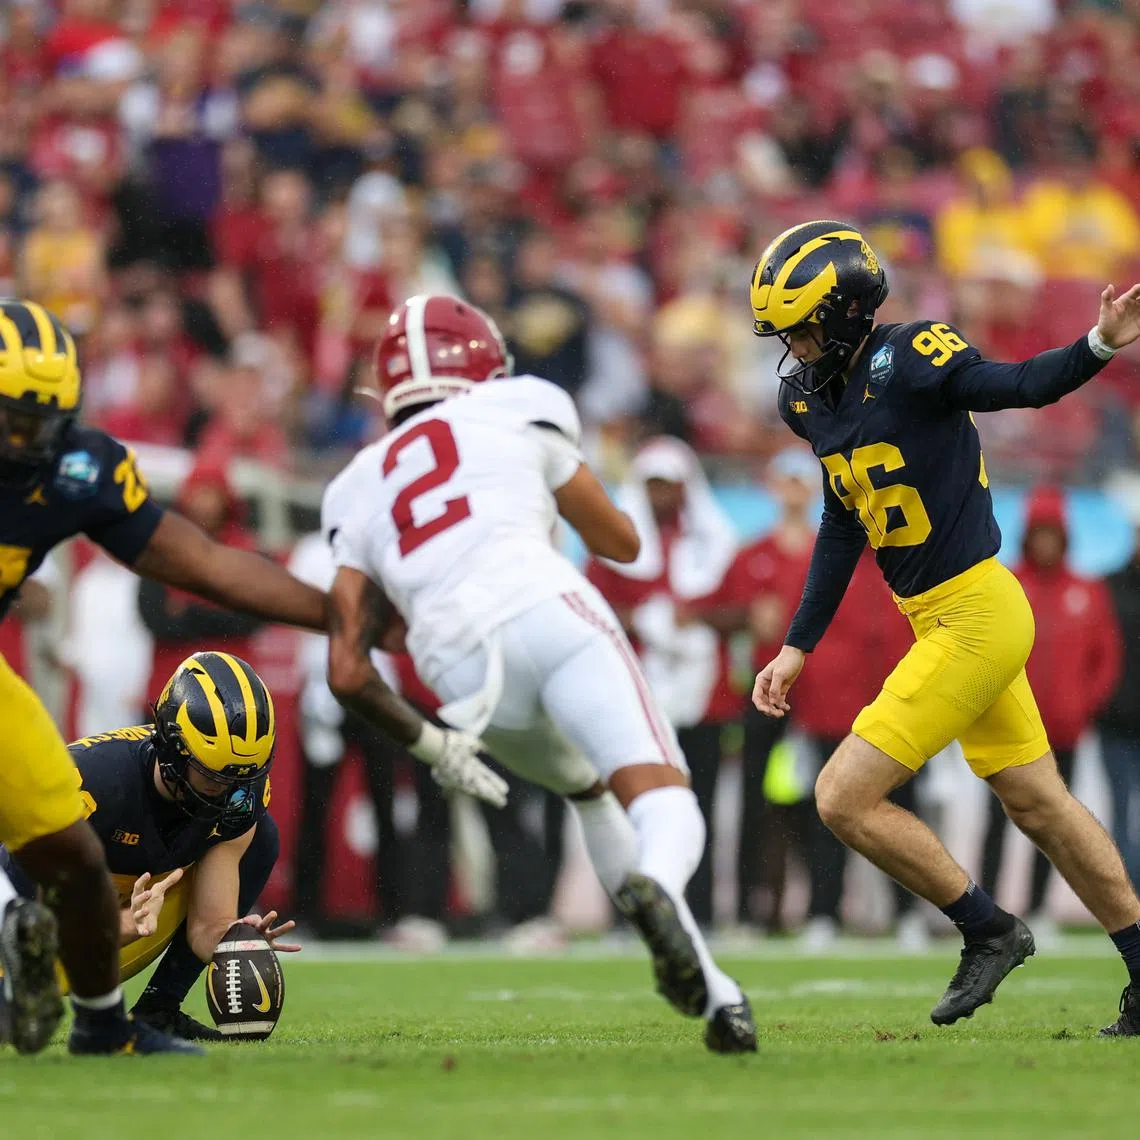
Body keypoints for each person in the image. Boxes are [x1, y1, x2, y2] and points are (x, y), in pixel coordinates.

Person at [0, 298, 480, 1057]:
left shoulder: (76, 466)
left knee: (67, 844)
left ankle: (101, 1028)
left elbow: (203, 563)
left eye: (47, 418)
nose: (34, 440)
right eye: (17, 419)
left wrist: (333, 614)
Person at [323, 294, 756, 1053]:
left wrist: (430, 743)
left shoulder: (355, 482)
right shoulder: (523, 405)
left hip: (453, 668)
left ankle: (719, 999)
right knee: (660, 795)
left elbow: (348, 664)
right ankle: (655, 884)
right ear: (486, 362)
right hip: (542, 604)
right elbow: (621, 543)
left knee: (586, 789)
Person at [748, 221, 1140, 1035]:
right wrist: (798, 643)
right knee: (1041, 804)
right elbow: (841, 519)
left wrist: (1098, 344)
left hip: (977, 611)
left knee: (843, 797)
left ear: (852, 311)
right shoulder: (805, 398)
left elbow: (1020, 384)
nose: (794, 344)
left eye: (806, 324)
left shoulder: (912, 357)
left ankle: (988, 930)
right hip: (938, 617)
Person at [2, 652, 296, 1042]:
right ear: (174, 751)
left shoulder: (240, 795)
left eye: (242, 778)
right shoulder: (92, 784)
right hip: (32, 939)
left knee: (262, 835)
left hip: (118, 923)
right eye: (212, 778)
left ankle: (159, 1009)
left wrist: (234, 941)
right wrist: (108, 925)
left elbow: (209, 924)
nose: (228, 793)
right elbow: (22, 924)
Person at [586, 436, 739, 929]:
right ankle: (631, 912)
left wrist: (693, 619)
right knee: (636, 803)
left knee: (701, 803)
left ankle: (701, 911)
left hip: (704, 695)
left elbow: (744, 612)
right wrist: (642, 618)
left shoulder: (717, 542)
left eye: (670, 486)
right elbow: (590, 610)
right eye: (651, 486)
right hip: (636, 695)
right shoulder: (613, 547)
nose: (660, 497)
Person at [980, 487, 1121, 938]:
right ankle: (989, 911)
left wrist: (1082, 706)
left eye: (1051, 533)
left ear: (1063, 536)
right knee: (996, 821)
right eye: (1038, 533)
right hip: (1006, 728)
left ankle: (1040, 909)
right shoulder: (1006, 583)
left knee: (1053, 826)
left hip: (1061, 731)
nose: (1045, 542)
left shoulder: (1087, 590)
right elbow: (982, 649)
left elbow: (1106, 657)